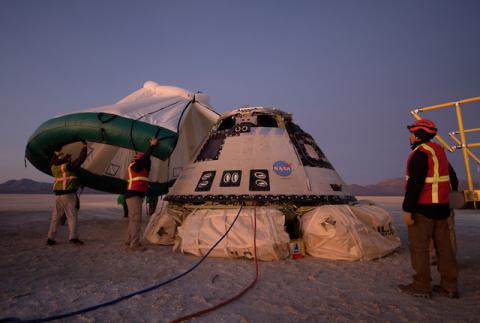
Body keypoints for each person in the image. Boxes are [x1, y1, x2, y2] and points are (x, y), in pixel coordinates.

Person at [399, 119, 459, 299]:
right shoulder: (439, 152)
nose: (409, 137)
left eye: (411, 134)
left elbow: (415, 185)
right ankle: (450, 285)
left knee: (420, 248)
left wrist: (407, 209)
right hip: (442, 209)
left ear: (418, 136)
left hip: (423, 209)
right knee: (444, 248)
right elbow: (453, 178)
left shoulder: (419, 155)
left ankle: (421, 285)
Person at [47, 141, 88, 246]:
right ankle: (73, 237)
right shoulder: (67, 167)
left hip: (58, 197)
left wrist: (56, 153)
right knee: (72, 217)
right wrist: (84, 147)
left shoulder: (53, 168)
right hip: (69, 196)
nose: (70, 160)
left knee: (55, 217)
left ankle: (50, 238)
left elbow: (53, 161)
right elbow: (80, 160)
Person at [124, 137, 158, 251]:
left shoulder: (140, 166)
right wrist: (152, 146)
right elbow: (145, 159)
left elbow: (147, 161)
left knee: (133, 219)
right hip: (133, 195)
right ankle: (134, 244)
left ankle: (129, 240)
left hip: (135, 195)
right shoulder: (135, 165)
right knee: (136, 220)